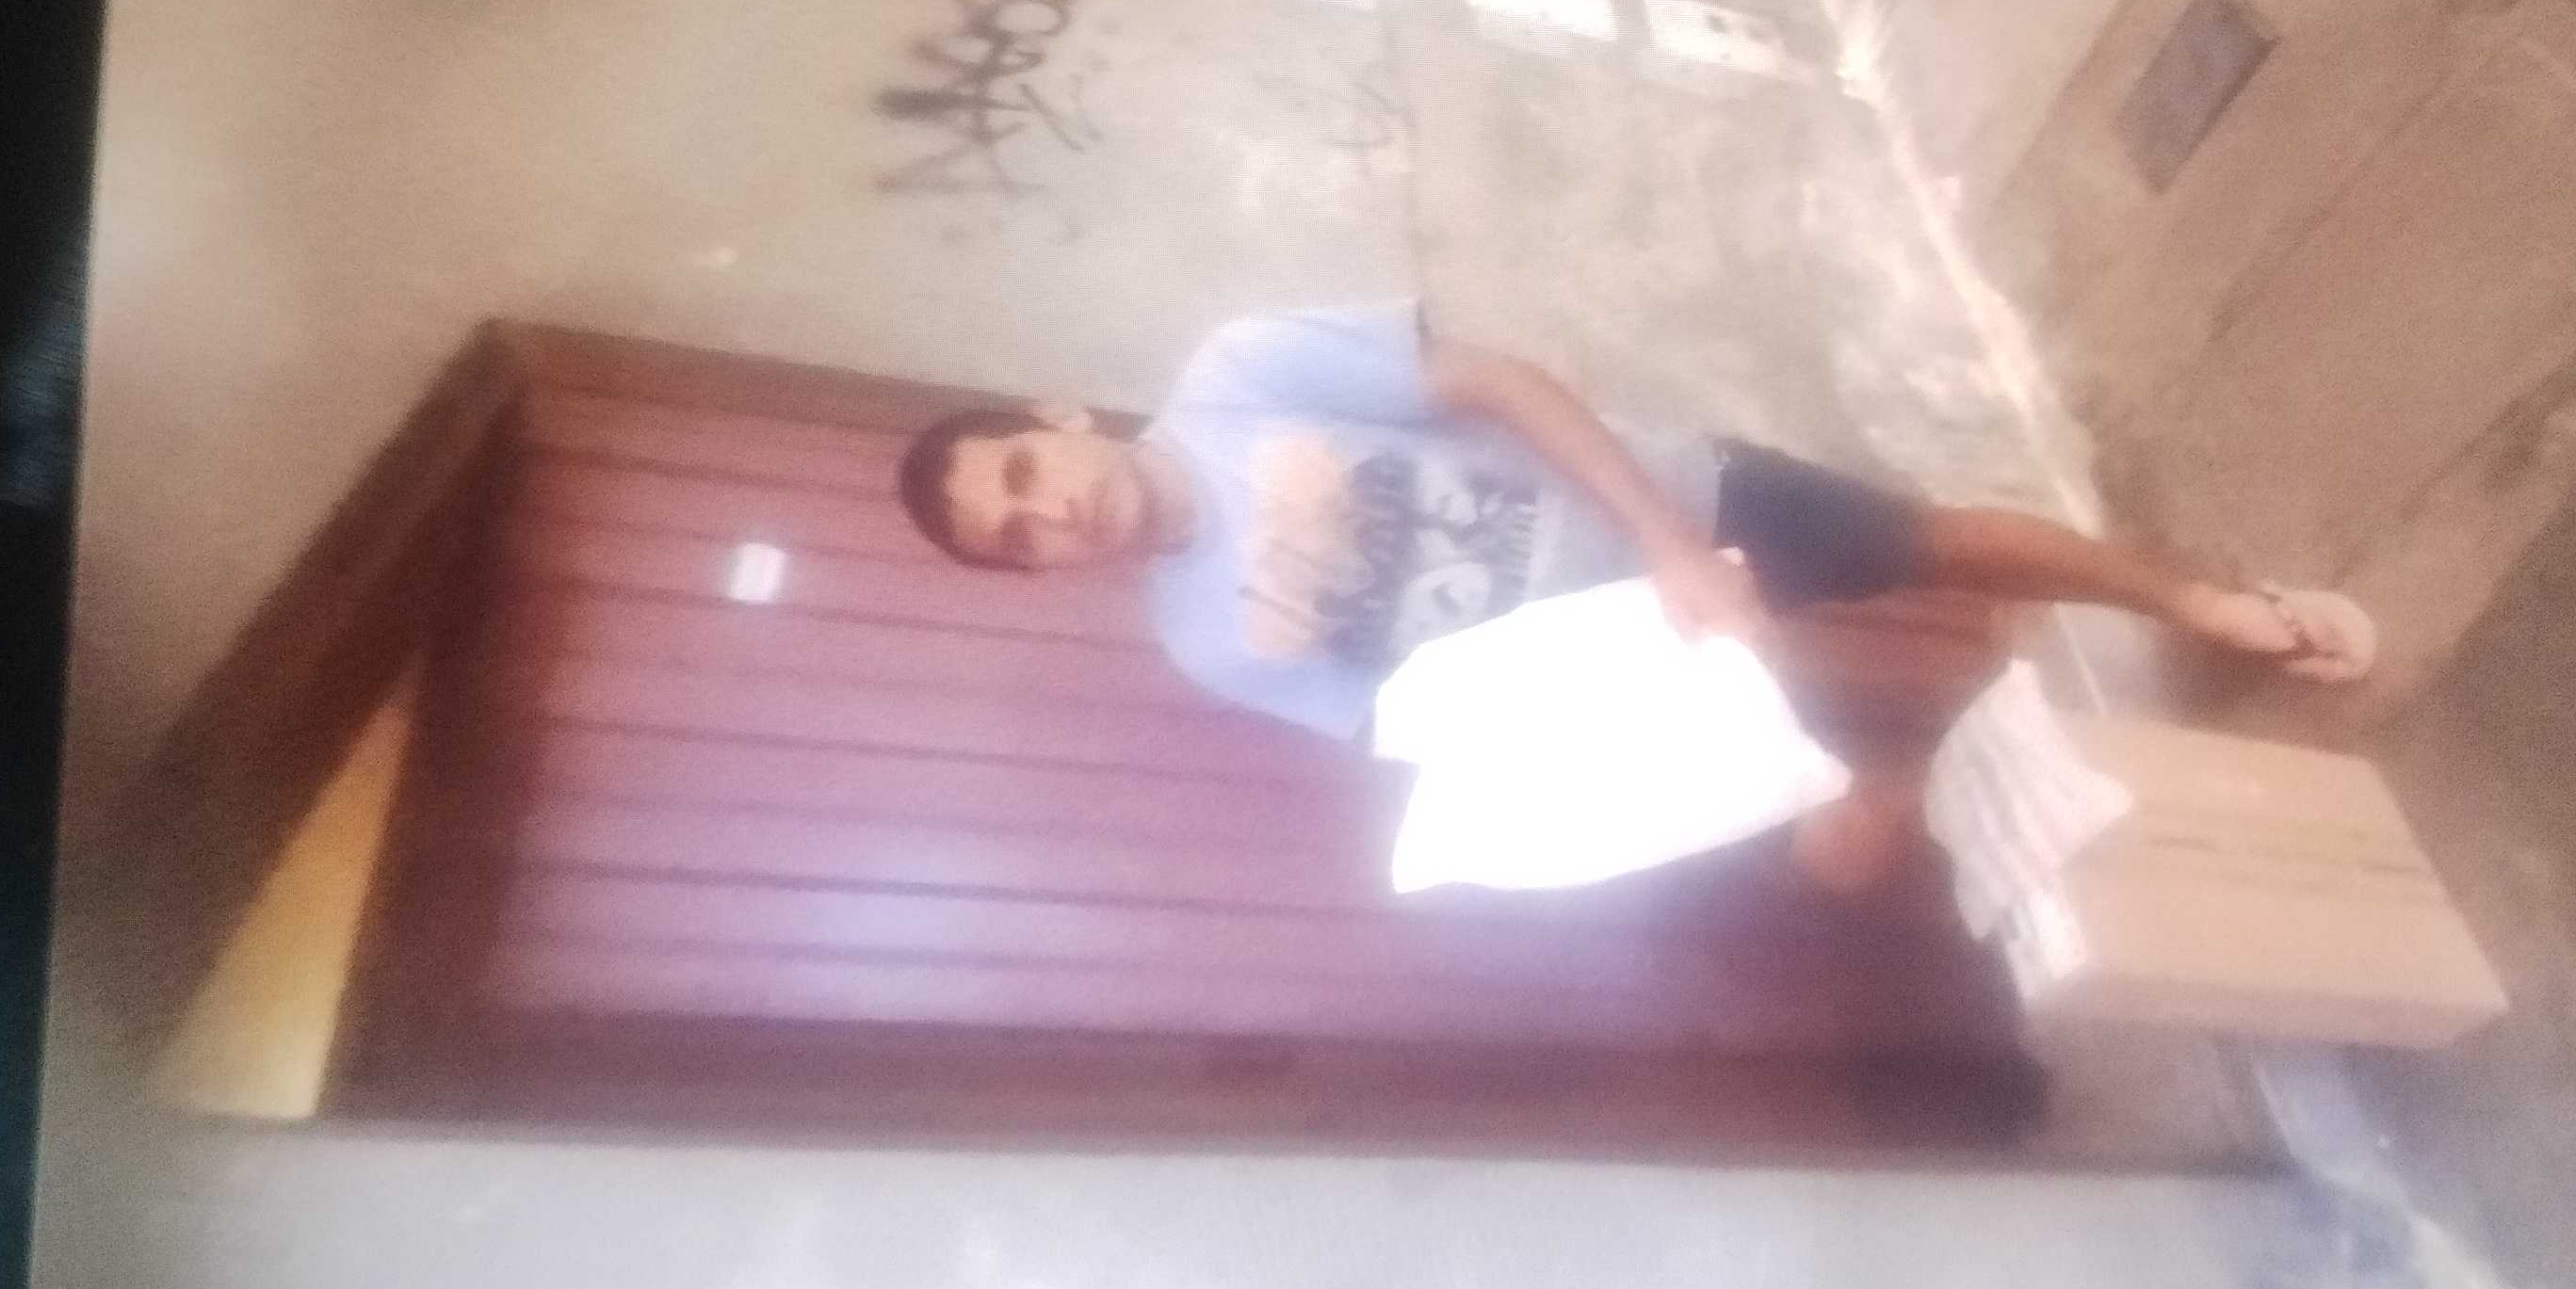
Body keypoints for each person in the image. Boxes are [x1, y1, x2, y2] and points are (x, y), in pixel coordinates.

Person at [896, 303, 2371, 892]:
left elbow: (1497, 381)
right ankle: (2031, 805)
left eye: (1022, 474)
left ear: (1055, 421)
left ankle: (2198, 601)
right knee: (1843, 854)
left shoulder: (1240, 374)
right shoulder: (1203, 647)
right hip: (1638, 683)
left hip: (1674, 508)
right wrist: (1687, 762)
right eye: (1017, 540)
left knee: (1935, 545)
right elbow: (1424, 730)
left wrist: (1671, 544)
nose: (1049, 514)